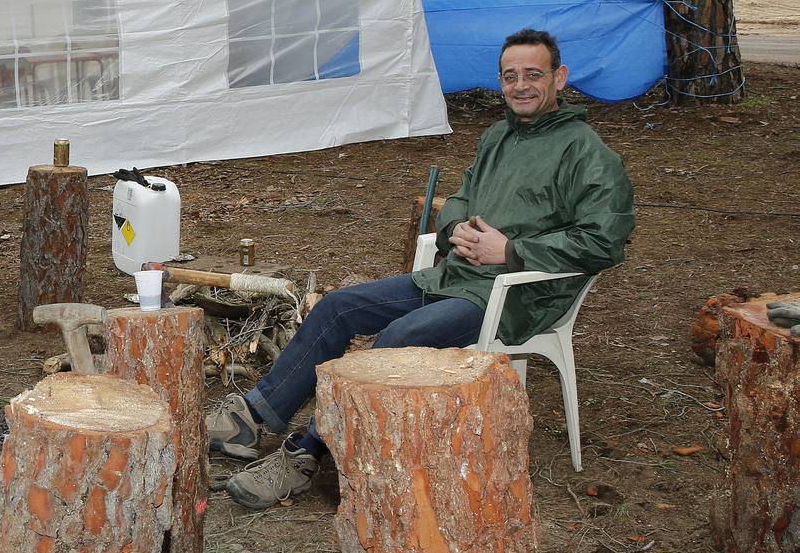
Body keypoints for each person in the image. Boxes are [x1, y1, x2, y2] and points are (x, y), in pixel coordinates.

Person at [205, 28, 635, 510]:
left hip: (515, 297)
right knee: (338, 307)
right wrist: (454, 229)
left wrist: (510, 251)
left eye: (534, 75)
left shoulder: (587, 152)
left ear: (560, 77)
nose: (521, 86)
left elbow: (604, 240)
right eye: (510, 76)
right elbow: (461, 199)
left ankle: (305, 455)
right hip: (456, 277)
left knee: (397, 341)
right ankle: (255, 416)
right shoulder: (499, 136)